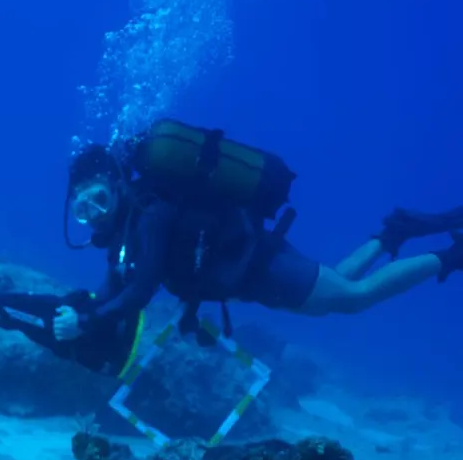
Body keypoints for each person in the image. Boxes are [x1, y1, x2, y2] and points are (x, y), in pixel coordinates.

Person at [54, 130, 463, 344]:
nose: (93, 217)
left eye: (99, 201)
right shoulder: (128, 227)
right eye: (83, 209)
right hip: (254, 270)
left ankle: (451, 256)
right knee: (341, 286)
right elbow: (116, 285)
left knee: (354, 299)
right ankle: (392, 234)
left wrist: (88, 323)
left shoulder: (150, 216)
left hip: (264, 268)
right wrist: (83, 308)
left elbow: (141, 291)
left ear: (119, 186)